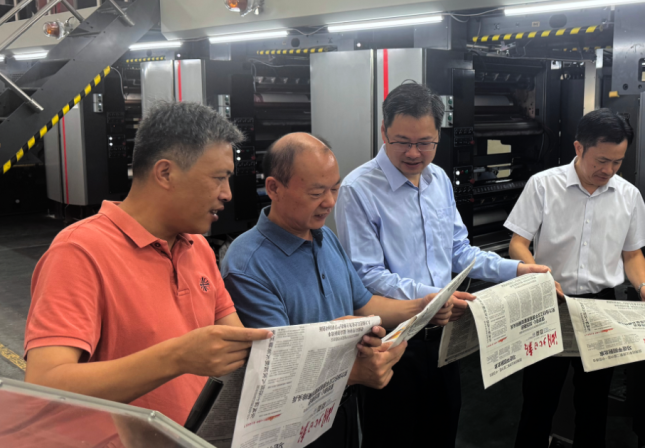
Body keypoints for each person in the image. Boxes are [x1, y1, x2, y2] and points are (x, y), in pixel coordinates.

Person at [334, 82, 554, 448]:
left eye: (426, 142)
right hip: (392, 340)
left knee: (441, 431)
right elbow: (367, 275)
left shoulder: (439, 181)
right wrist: (434, 299)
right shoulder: (359, 189)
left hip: (444, 339)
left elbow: (460, 252)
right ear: (383, 131)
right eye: (402, 141)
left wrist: (515, 270)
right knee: (392, 438)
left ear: (439, 135)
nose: (414, 153)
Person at [23, 102, 273, 425]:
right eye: (218, 178)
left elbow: (236, 342)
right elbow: (45, 387)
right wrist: (177, 357)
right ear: (165, 173)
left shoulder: (196, 246)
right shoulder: (79, 252)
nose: (227, 193)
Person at [221, 132, 453, 448]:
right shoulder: (249, 263)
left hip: (340, 408)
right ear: (274, 188)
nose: (330, 201)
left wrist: (424, 307)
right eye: (317, 192)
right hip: (291, 426)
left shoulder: (325, 238)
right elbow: (280, 370)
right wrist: (355, 372)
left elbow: (364, 304)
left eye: (334, 188)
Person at [505, 108, 645, 448]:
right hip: (550, 300)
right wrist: (537, 276)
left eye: (617, 162)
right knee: (538, 401)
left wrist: (644, 286)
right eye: (601, 160)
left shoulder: (628, 196)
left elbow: (632, 253)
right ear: (579, 148)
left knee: (593, 404)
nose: (608, 171)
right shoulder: (543, 185)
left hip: (600, 307)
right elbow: (517, 244)